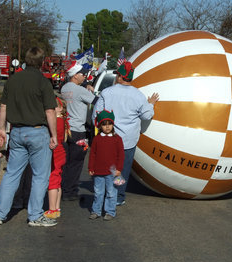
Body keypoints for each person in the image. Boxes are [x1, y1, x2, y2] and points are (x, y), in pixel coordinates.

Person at [0, 47, 58, 226]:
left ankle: (0, 213)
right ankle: (35, 215)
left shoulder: (12, 80)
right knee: (39, 175)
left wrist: (1, 128)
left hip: (16, 132)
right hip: (38, 132)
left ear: (26, 60)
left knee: (12, 174)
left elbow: (3, 107)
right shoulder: (43, 82)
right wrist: (54, 135)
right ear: (42, 61)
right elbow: (50, 111)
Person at [92, 61, 159, 206]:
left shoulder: (107, 92)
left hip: (108, 139)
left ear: (121, 77)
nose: (116, 78)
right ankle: (118, 196)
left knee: (105, 166)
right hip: (127, 142)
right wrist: (151, 104)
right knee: (121, 169)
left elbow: (96, 115)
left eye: (117, 75)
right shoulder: (138, 95)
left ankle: (103, 194)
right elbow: (147, 116)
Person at [60, 63, 98, 201]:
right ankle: (70, 192)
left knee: (65, 161)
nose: (85, 77)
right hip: (78, 130)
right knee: (76, 163)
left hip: (65, 129)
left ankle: (61, 189)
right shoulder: (80, 91)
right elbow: (96, 101)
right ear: (75, 75)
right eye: (83, 74)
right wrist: (89, 91)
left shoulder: (64, 88)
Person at [88, 110, 124, 220]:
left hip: (113, 171)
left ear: (113, 124)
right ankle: (96, 211)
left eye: (110, 124)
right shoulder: (97, 139)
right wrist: (91, 167)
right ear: (100, 126)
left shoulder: (117, 139)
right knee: (98, 192)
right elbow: (92, 154)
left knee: (112, 192)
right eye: (104, 124)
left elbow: (121, 155)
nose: (107, 127)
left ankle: (110, 212)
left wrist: (119, 169)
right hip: (98, 170)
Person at [44, 97, 70, 218]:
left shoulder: (57, 122)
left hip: (55, 153)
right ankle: (57, 207)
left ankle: (52, 209)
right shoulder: (63, 121)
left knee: (52, 182)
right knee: (57, 181)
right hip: (61, 152)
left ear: (60, 108)